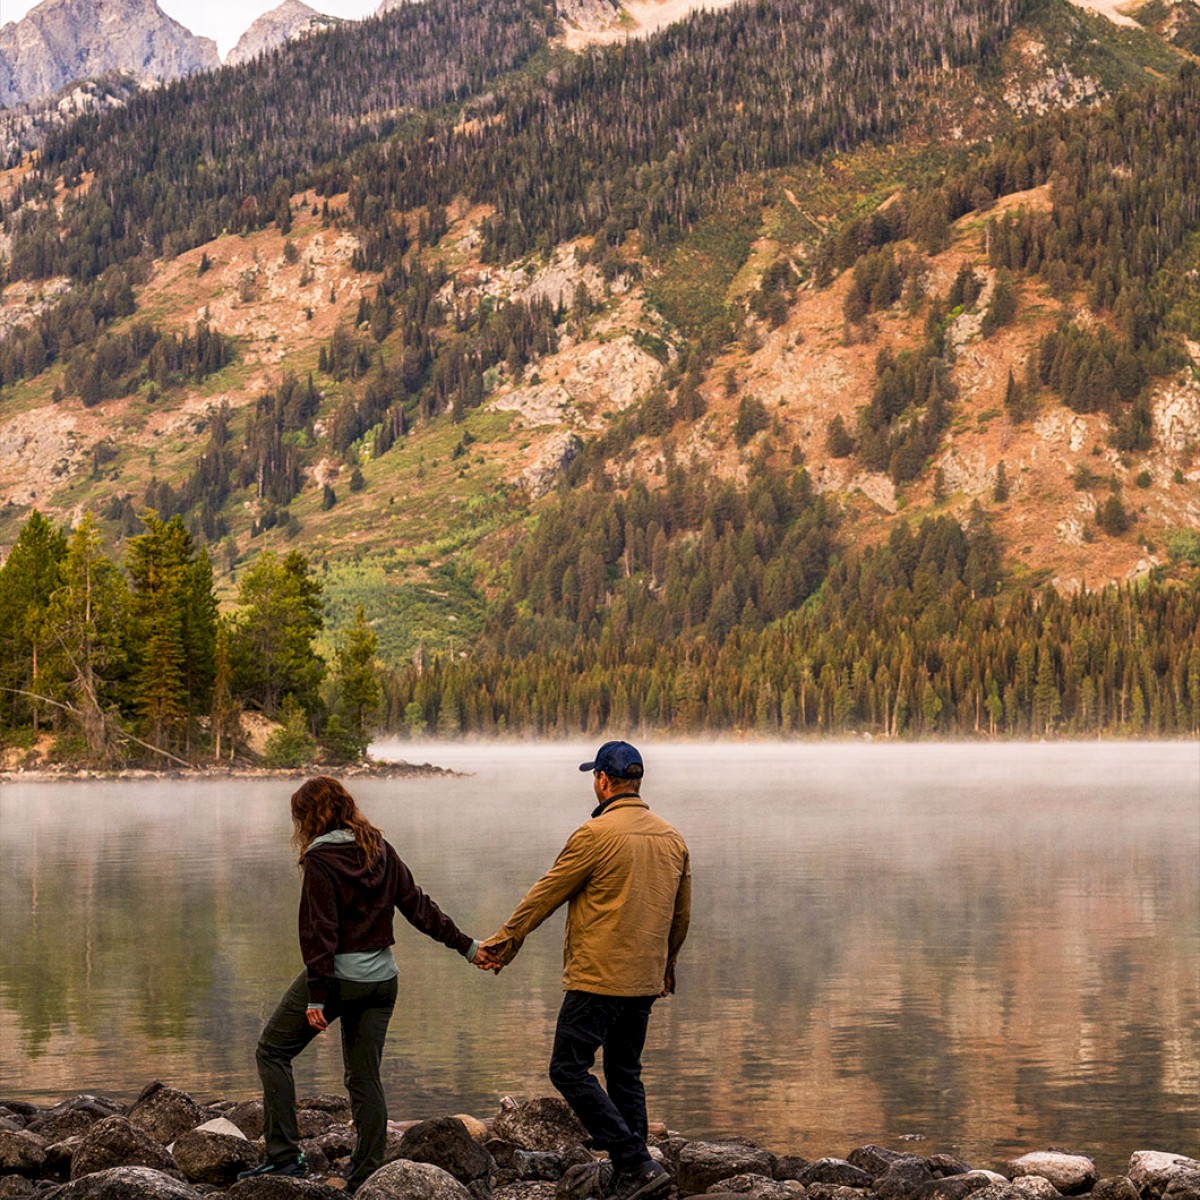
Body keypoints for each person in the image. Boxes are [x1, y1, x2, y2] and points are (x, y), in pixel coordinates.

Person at [240, 776, 479, 1192]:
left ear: (309, 818)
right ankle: (368, 1170)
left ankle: (284, 1158)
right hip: (383, 981)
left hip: (337, 980)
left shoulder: (320, 860)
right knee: (364, 1077)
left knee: (273, 1051)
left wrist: (317, 997)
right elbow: (419, 907)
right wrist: (469, 948)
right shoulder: (379, 847)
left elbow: (320, 932)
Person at [476, 741, 690, 1200]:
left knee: (568, 1069)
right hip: (645, 977)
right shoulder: (672, 838)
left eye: (594, 776)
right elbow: (680, 915)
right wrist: (667, 966)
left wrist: (504, 943)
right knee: (624, 1070)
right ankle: (633, 1172)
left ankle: (634, 1161)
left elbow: (545, 895)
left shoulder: (594, 835)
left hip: (599, 976)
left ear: (603, 781)